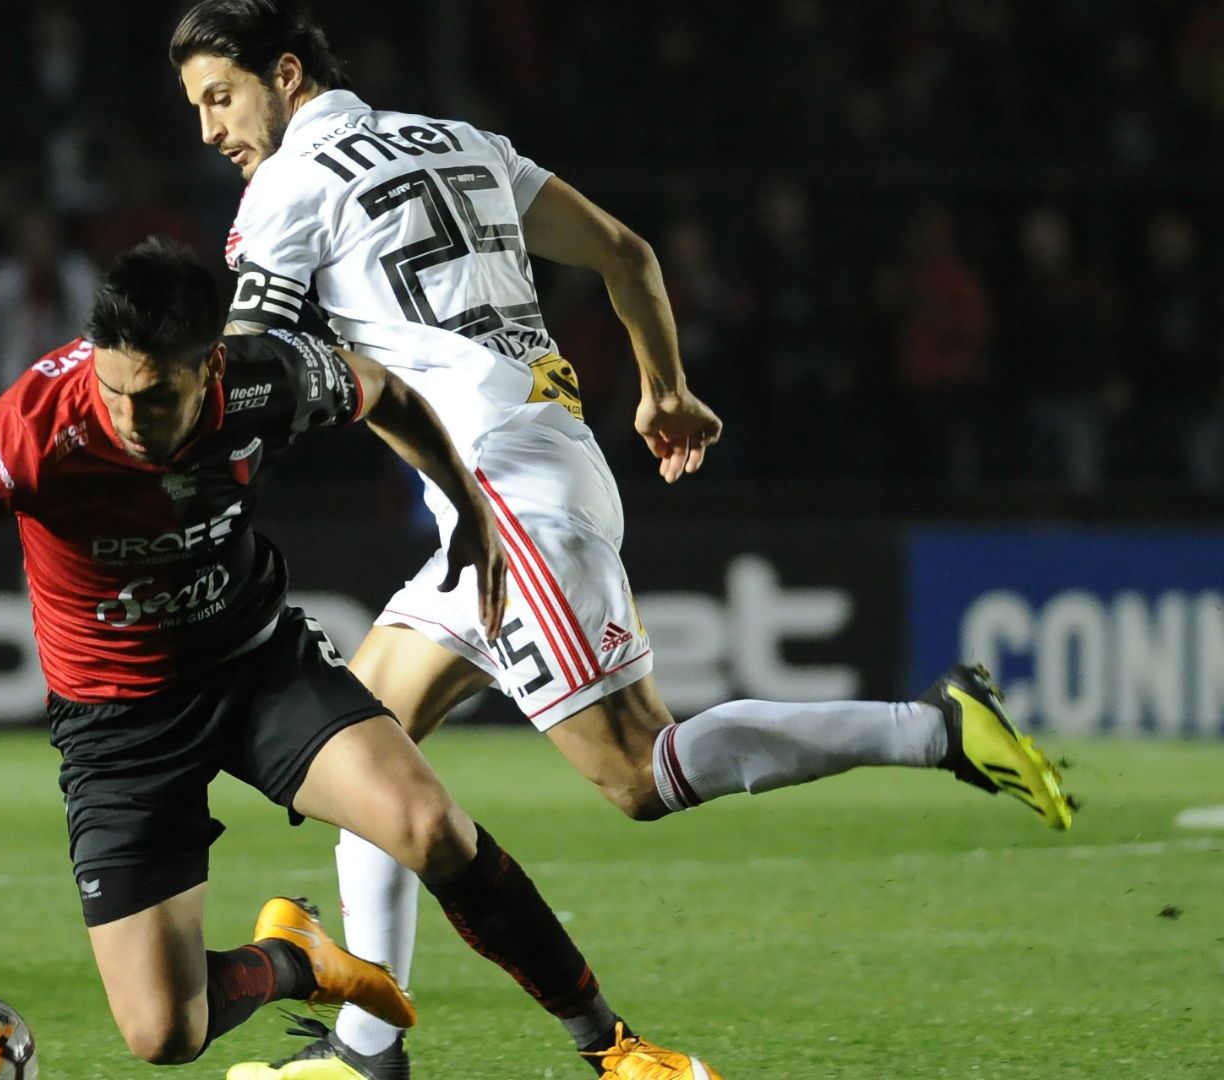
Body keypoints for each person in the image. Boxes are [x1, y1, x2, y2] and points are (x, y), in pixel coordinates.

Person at [166, 3, 1074, 1076]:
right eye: (196, 108)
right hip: (528, 470)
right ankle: (370, 1051)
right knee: (369, 746)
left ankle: (934, 728)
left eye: (221, 97)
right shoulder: (464, 143)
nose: (211, 129)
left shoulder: (285, 189)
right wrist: (667, 389)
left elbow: (243, 363)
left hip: (508, 500)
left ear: (286, 73)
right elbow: (626, 253)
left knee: (639, 773)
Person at [0, 238, 722, 1078]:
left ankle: (614, 1048)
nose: (131, 416)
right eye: (115, 387)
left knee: (431, 826)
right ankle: (297, 959)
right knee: (162, 1034)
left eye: (159, 394)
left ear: (210, 366)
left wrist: (467, 504)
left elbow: (383, 389)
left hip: (257, 667)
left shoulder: (266, 377)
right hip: (119, 728)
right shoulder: (31, 435)